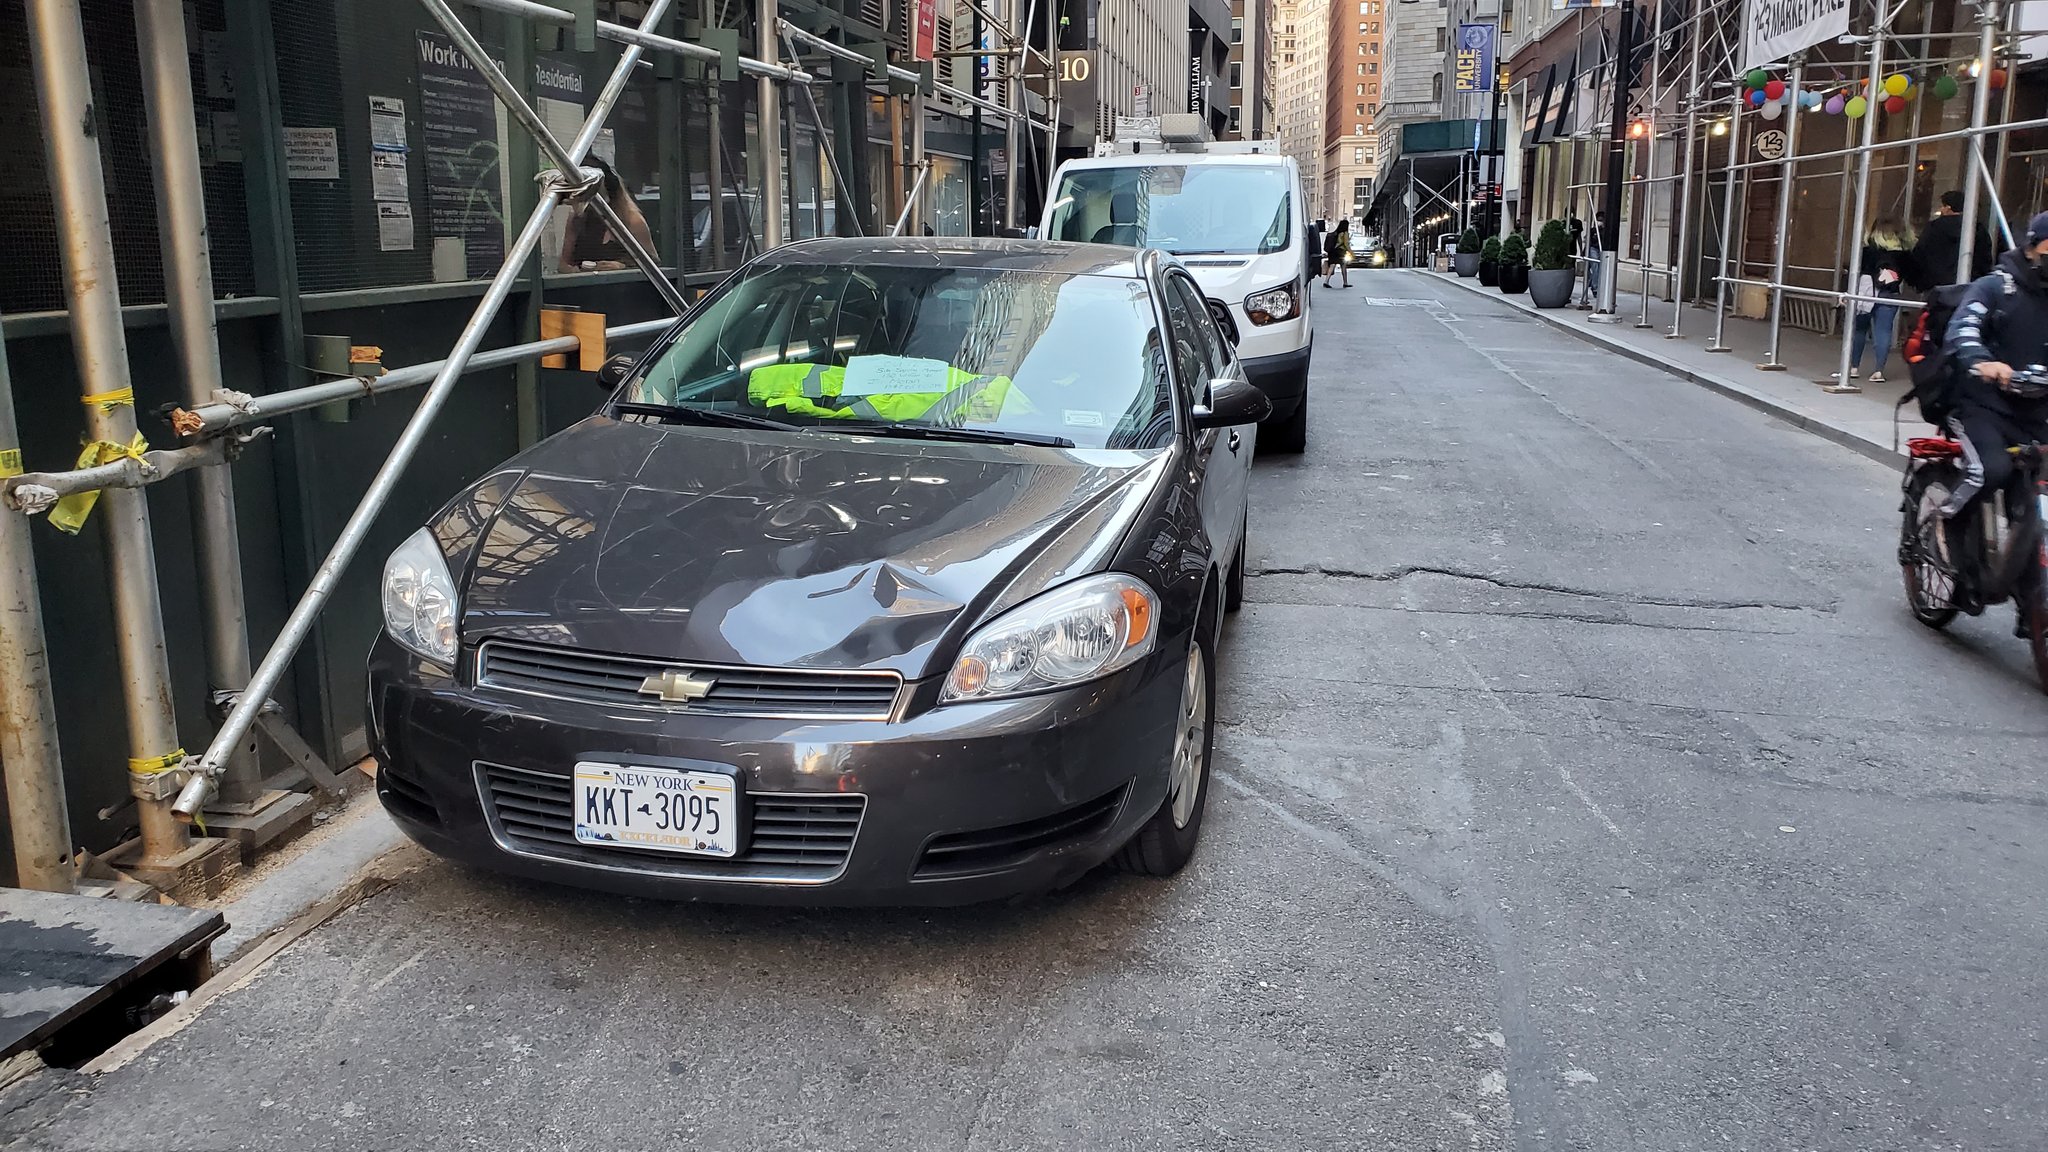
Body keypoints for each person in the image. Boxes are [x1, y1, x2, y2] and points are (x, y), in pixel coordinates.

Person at [1936, 210, 2048, 635]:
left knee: (2033, 504)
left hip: (2038, 413)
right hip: (1983, 407)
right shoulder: (1994, 287)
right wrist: (1985, 363)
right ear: (2034, 245)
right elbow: (1962, 330)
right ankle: (1952, 530)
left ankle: (2032, 602)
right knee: (1992, 470)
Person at [1834, 218, 1915, 384]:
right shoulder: (1904, 254)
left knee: (1859, 330)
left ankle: (1854, 368)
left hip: (1865, 293)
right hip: (1890, 294)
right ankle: (1879, 371)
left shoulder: (1866, 250)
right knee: (1883, 332)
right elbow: (1911, 275)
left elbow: (1854, 272)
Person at [558, 156, 657, 272]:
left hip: (623, 286)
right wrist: (574, 271)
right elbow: (563, 264)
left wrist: (623, 266)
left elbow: (653, 262)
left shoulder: (632, 220)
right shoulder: (577, 219)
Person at [1908, 191, 1996, 291]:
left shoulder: (1934, 228)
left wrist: (1918, 281)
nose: (1941, 209)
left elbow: (1920, 254)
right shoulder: (1978, 229)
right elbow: (1984, 259)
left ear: (1948, 208)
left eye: (1942, 206)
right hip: (1969, 285)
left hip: (1936, 285)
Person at [1579, 211, 1605, 309]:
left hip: (1602, 250)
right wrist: (1584, 252)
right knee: (1595, 266)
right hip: (1594, 249)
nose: (1600, 222)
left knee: (1599, 268)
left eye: (1601, 220)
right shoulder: (1593, 230)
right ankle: (1595, 288)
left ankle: (1595, 285)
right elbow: (1589, 242)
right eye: (1598, 220)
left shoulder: (1605, 231)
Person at [1322, 219, 1351, 288]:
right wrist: (1351, 252)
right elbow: (1346, 244)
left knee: (1332, 265)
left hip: (1332, 251)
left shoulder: (1336, 232)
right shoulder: (1344, 233)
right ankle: (1345, 282)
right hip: (1340, 251)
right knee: (1343, 266)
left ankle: (1326, 281)